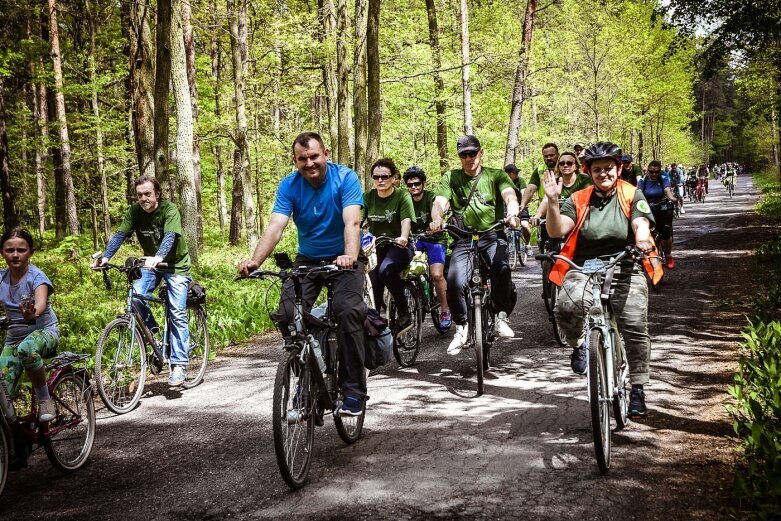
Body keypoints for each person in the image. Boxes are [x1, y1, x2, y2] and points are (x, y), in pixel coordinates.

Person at [237, 132, 367, 416]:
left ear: (326, 154)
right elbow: (275, 227)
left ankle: (353, 390)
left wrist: (349, 255)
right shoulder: (289, 185)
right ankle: (310, 378)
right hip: (308, 258)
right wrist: (256, 261)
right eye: (302, 159)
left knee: (348, 311)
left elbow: (352, 221)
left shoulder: (345, 179)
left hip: (345, 258)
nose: (309, 163)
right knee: (286, 314)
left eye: (314, 156)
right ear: (295, 160)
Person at [543, 141, 662, 418]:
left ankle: (638, 388)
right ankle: (580, 345)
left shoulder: (632, 193)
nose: (603, 174)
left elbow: (640, 223)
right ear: (589, 172)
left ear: (618, 169)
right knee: (565, 307)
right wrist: (551, 201)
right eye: (597, 170)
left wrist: (642, 240)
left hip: (625, 263)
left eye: (609, 168)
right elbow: (557, 230)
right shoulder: (579, 198)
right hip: (584, 265)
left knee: (633, 325)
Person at [92, 176, 192, 387]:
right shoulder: (134, 212)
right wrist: (107, 257)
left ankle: (179, 364)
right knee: (134, 297)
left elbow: (171, 235)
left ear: (157, 193)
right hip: (150, 264)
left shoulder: (169, 210)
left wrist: (159, 256)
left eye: (147, 194)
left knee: (176, 311)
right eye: (139, 195)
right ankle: (155, 337)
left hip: (175, 266)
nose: (143, 198)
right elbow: (120, 234)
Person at [430, 135, 521, 354]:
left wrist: (512, 213)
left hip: (492, 234)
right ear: (459, 157)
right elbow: (439, 202)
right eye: (464, 154)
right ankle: (461, 326)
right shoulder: (451, 177)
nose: (469, 158)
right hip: (464, 237)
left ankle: (500, 317)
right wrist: (437, 218)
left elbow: (509, 195)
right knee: (454, 281)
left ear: (481, 152)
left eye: (473, 153)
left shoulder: (496, 175)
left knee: (502, 268)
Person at [0, 228, 59, 422]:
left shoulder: (37, 277)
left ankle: (44, 400)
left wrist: (32, 313)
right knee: (2, 390)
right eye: (10, 250)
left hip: (44, 332)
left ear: (31, 252)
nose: (15, 255)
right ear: (2, 252)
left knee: (27, 348)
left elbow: (40, 303)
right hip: (14, 339)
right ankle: (14, 441)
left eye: (21, 250)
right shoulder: (1, 278)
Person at [364, 158, 415, 331]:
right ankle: (375, 324)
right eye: (376, 177)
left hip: (400, 247)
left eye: (385, 177)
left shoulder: (402, 195)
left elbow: (406, 220)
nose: (380, 180)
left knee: (386, 270)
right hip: (377, 247)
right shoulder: (368, 197)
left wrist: (403, 236)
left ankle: (403, 311)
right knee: (373, 282)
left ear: (393, 178)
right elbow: (355, 221)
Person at [402, 166, 451, 330]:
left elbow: (440, 206)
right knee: (405, 271)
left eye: (417, 183)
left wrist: (437, 220)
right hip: (416, 240)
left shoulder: (431, 197)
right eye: (410, 185)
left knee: (437, 275)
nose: (414, 187)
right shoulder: (404, 199)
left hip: (435, 239)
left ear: (423, 183)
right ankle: (416, 296)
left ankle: (445, 310)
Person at [529, 151, 592, 228]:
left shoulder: (585, 180)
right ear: (558, 166)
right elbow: (546, 200)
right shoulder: (554, 181)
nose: (565, 165)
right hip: (557, 222)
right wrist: (537, 215)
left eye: (569, 163)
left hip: (580, 221)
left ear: (576, 166)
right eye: (562, 163)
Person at [639, 160, 678, 269]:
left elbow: (667, 190)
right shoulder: (643, 180)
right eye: (651, 172)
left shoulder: (664, 179)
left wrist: (672, 198)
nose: (654, 174)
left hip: (663, 207)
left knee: (665, 233)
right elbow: (639, 192)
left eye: (657, 172)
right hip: (648, 208)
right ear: (648, 171)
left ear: (660, 171)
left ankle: (668, 255)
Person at [503, 164, 533, 256]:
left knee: (524, 225)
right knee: (503, 229)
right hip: (506, 208)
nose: (517, 174)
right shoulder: (502, 182)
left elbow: (524, 192)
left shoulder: (520, 180)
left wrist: (523, 204)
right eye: (515, 173)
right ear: (509, 174)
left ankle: (527, 245)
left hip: (521, 206)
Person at [519, 142, 559, 211]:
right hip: (544, 210)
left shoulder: (565, 168)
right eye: (546, 156)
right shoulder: (539, 170)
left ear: (558, 155)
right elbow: (530, 189)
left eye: (552, 155)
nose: (549, 158)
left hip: (563, 209)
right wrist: (522, 205)